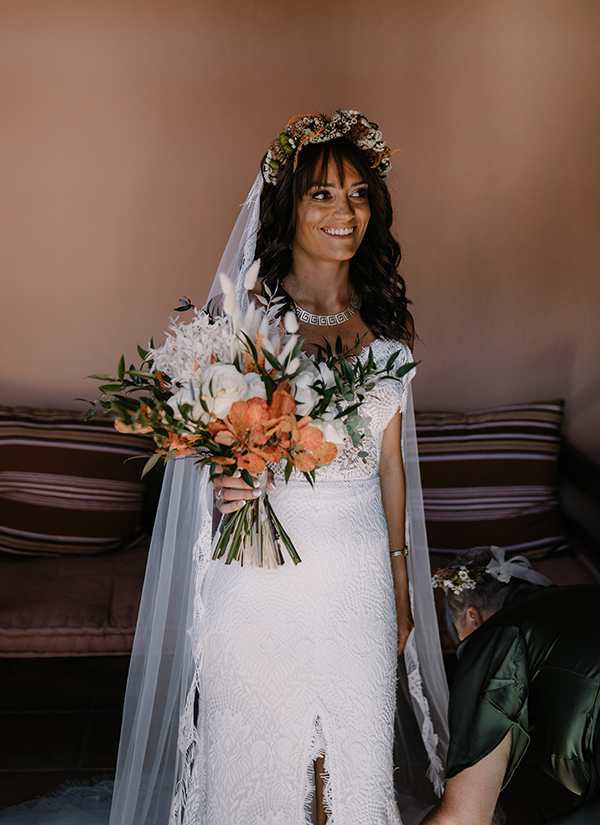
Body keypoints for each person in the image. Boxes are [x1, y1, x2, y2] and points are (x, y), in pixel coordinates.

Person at [0, 113, 448, 825]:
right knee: (259, 760)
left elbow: (391, 465)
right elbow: (206, 444)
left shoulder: (391, 321)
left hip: (358, 572)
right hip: (261, 575)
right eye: (323, 195)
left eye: (359, 195)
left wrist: (398, 579)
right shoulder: (243, 314)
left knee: (353, 761)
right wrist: (224, 478)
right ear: (288, 204)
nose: (345, 213)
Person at [423, 546, 600, 825]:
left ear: (473, 616)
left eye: (462, 641)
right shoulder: (580, 596)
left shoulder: (495, 636)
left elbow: (463, 817)